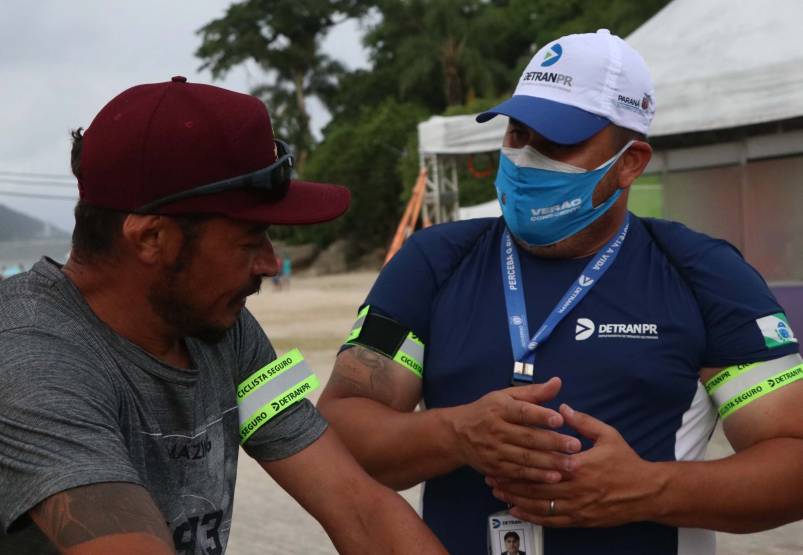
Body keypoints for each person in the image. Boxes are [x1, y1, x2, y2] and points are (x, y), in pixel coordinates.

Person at [0, 78, 447, 554]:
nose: (272, 265)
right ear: (151, 237)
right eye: (250, 240)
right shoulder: (22, 357)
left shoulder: (222, 329)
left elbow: (357, 505)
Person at [318, 29, 803, 555]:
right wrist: (454, 434)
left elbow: (792, 454)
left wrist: (648, 491)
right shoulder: (433, 261)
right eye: (518, 134)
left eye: (557, 143)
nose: (527, 157)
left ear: (630, 162)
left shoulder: (702, 273)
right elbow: (337, 433)